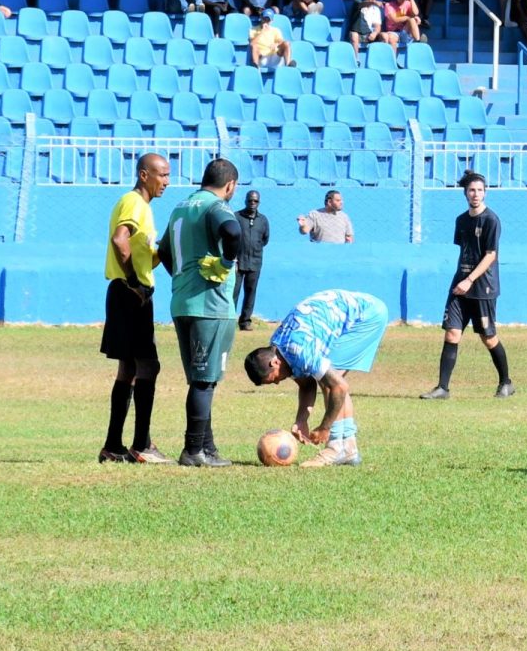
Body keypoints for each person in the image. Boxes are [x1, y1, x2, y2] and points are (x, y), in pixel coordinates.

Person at [157, 158, 244, 468]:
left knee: (199, 379)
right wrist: (226, 263)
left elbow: (164, 251)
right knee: (205, 380)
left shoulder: (181, 207)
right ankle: (193, 450)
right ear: (230, 185)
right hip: (211, 306)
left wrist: (183, 279)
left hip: (182, 303)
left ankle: (207, 447)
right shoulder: (215, 206)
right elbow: (233, 232)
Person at [242, 289, 391, 467]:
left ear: (274, 363)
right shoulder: (279, 347)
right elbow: (306, 384)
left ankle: (337, 447)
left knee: (331, 382)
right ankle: (348, 448)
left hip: (366, 315)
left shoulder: (300, 351)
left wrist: (324, 427)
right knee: (327, 379)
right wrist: (302, 419)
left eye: (272, 379)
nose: (276, 382)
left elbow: (340, 387)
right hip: (359, 310)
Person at [98, 153, 171, 464]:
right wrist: (134, 282)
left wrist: (161, 251)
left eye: (168, 175)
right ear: (144, 175)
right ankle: (142, 445)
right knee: (148, 366)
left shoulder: (142, 208)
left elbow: (140, 253)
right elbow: (120, 240)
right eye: (161, 175)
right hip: (130, 294)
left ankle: (113, 446)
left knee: (129, 369)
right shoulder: (134, 203)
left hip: (126, 293)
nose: (167, 181)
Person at [420, 172, 515, 401]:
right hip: (459, 285)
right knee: (452, 333)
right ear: (465, 193)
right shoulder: (461, 220)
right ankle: (443, 388)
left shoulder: (491, 220)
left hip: (482, 287)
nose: (476, 194)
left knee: (488, 338)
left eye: (480, 190)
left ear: (485, 193)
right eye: (472, 190)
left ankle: (506, 382)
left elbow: (490, 255)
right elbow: (465, 250)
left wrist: (470, 279)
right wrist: (462, 279)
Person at [236, 189, 270, 332]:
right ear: (245, 201)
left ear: (259, 202)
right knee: (233, 292)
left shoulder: (263, 220)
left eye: (255, 201)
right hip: (237, 262)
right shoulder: (236, 217)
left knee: (250, 292)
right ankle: (228, 321)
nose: (252, 203)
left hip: (255, 262)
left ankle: (245, 322)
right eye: (250, 200)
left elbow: (265, 239)